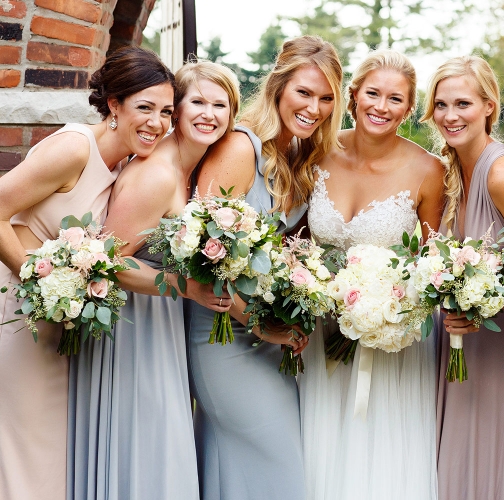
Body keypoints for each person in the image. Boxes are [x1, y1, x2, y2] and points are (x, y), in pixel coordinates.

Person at [0, 46, 174, 500]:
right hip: (19, 315)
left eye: (166, 112)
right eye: (145, 108)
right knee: (27, 455)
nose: (157, 123)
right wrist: (38, 283)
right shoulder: (75, 149)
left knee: (52, 459)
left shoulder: (126, 167)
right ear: (114, 104)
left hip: (59, 324)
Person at [67, 60, 239, 499]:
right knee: (147, 451)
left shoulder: (189, 169)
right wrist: (189, 287)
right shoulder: (157, 174)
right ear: (177, 110)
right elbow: (108, 262)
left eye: (220, 105)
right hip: (133, 331)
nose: (209, 114)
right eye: (197, 102)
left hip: (160, 324)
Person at [185, 35, 344, 500]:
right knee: (280, 467)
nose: (314, 108)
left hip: (269, 338)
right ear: (278, 87)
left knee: (244, 469)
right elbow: (199, 258)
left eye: (326, 98)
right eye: (304, 92)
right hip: (222, 334)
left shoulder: (300, 159)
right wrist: (260, 324)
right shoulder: (240, 148)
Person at [298, 49, 444, 500]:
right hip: (319, 331)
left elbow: (431, 264)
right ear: (354, 95)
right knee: (319, 449)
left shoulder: (428, 171)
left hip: (390, 341)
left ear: (409, 107)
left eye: (395, 99)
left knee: (381, 457)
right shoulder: (316, 152)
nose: (381, 107)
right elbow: (295, 239)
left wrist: (389, 310)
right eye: (373, 94)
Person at [421, 55, 504, 500]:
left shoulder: (501, 171)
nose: (450, 116)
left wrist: (483, 306)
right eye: (441, 105)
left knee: (488, 460)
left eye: (463, 104)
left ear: (489, 107)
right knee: (460, 459)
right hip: (466, 336)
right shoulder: (453, 167)